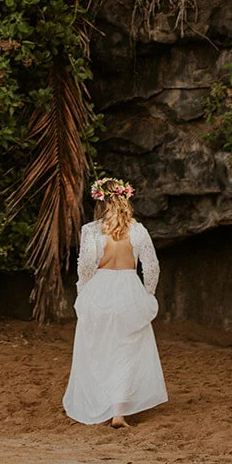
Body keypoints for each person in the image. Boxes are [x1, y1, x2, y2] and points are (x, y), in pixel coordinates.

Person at [62, 176, 168, 429]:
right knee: (127, 350)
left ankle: (101, 401)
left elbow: (87, 265)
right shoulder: (138, 230)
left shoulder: (91, 230)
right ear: (125, 199)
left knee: (98, 348)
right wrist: (147, 295)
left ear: (99, 202)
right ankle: (119, 412)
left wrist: (83, 291)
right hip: (129, 290)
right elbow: (152, 267)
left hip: (101, 289)